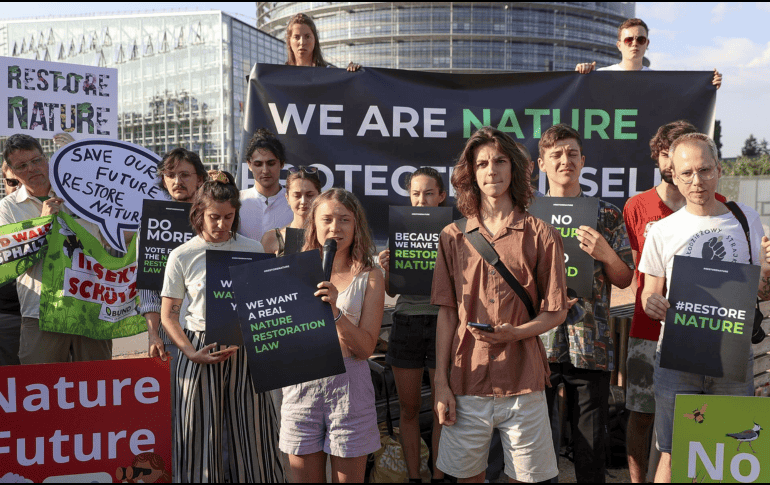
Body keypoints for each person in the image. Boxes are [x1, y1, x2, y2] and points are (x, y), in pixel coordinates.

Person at [431, 126, 569, 483]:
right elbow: (447, 314)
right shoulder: (453, 236)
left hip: (524, 380)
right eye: (482, 163)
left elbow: (556, 310)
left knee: (528, 479)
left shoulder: (542, 234)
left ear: (515, 169)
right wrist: (441, 383)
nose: (491, 169)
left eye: (500, 161)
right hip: (466, 378)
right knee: (467, 478)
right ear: (471, 174)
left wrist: (516, 333)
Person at [638, 133, 770, 483]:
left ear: (718, 169)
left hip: (732, 357)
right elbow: (648, 294)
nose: (697, 181)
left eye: (705, 170)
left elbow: (763, 292)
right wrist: (652, 303)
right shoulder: (663, 231)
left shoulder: (747, 220)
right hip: (677, 356)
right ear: (674, 176)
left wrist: (768, 274)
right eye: (687, 173)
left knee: (729, 450)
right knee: (671, 448)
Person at [160, 171, 285, 483]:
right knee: (196, 431)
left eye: (229, 217)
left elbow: (264, 306)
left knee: (254, 428)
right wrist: (190, 353)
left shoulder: (253, 249)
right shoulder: (181, 255)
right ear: (199, 213)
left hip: (244, 346)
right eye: (214, 217)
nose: (221, 225)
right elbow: (168, 316)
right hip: (197, 345)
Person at [622, 120, 729, 482]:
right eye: (666, 152)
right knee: (643, 413)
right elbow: (639, 274)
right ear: (660, 157)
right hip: (648, 330)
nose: (674, 163)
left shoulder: (725, 210)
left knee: (704, 420)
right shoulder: (637, 206)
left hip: (705, 334)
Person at [537, 124, 634, 483]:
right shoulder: (525, 214)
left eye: (573, 154)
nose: (566, 160)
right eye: (557, 155)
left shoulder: (606, 214)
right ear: (541, 163)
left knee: (591, 444)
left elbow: (624, 278)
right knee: (534, 442)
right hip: (536, 342)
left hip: (589, 342)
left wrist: (606, 254)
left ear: (583, 161)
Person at [280, 188, 384, 483]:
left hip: (350, 387)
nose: (335, 228)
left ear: (356, 225)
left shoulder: (370, 275)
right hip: (301, 385)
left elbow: (365, 348)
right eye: (327, 219)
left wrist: (336, 312)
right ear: (314, 224)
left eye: (344, 220)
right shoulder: (292, 270)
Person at [0, 134, 111, 364]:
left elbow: (111, 238)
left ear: (46, 158)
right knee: (39, 389)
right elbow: (12, 262)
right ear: (11, 171)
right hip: (40, 312)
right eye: (22, 166)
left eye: (36, 160)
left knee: (97, 388)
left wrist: (77, 159)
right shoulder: (7, 209)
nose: (32, 169)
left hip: (90, 307)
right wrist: (41, 225)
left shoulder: (81, 192)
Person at [137, 148, 206, 482]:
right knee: (177, 413)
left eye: (185, 174)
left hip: (210, 329)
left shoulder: (215, 217)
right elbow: (148, 288)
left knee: (210, 411)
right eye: (171, 174)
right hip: (170, 336)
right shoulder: (152, 222)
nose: (178, 181)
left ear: (200, 178)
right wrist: (153, 333)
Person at [378, 167, 447, 483]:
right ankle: (414, 476)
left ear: (441, 196)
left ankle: (437, 475)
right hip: (405, 323)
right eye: (416, 193)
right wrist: (386, 270)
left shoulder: (453, 232)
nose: (421, 199)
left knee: (440, 410)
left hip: (442, 323)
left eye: (428, 193)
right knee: (408, 410)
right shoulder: (401, 229)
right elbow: (393, 292)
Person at [574, 18, 722, 89]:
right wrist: (580, 75)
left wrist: (707, 85)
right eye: (628, 40)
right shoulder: (600, 75)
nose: (634, 43)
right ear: (619, 45)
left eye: (640, 39)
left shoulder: (657, 80)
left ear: (647, 44)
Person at [239, 128, 295, 243]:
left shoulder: (295, 203)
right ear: (249, 165)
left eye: (271, 163)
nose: (265, 170)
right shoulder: (236, 201)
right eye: (258, 164)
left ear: (282, 163)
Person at [261, 166, 322, 256]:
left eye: (309, 195)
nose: (303, 201)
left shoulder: (328, 235)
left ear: (319, 196)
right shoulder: (271, 238)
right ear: (287, 198)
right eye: (297, 196)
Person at [285, 12, 361, 71]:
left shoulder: (330, 73)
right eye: (296, 37)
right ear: (289, 41)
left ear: (315, 40)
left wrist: (352, 74)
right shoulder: (280, 75)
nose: (302, 42)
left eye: (307, 37)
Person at [0, 162, 21, 366]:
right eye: (12, 182)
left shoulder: (54, 212)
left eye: (22, 182)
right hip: (7, 315)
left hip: (48, 315)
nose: (17, 187)